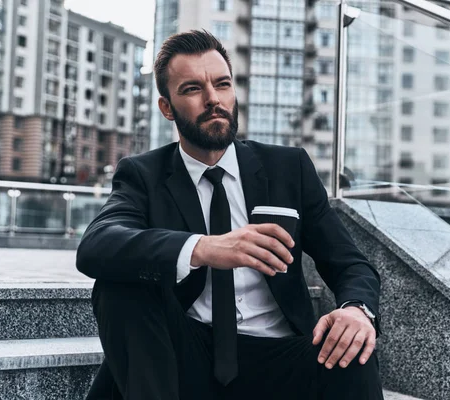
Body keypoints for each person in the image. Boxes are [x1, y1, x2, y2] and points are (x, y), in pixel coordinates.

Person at [77, 30, 383, 400]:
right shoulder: (143, 174)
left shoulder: (289, 168)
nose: (212, 99)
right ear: (167, 108)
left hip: (279, 356)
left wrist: (355, 311)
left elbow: (351, 264)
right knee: (117, 283)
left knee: (355, 349)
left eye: (222, 84)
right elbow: (97, 245)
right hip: (185, 356)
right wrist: (203, 248)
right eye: (192, 89)